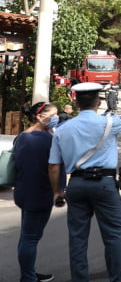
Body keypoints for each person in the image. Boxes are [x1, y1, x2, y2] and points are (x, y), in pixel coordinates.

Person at [48, 82, 121, 282]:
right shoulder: (110, 122)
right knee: (114, 235)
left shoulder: (62, 129)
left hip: (76, 185)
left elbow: (54, 166)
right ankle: (117, 279)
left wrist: (57, 191)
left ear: (75, 104)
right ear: (99, 103)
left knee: (77, 239)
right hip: (105, 184)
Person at [14, 102, 66, 282]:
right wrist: (58, 192)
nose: (56, 118)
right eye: (53, 114)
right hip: (41, 194)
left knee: (26, 235)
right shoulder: (48, 140)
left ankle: (28, 273)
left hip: (23, 192)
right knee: (30, 238)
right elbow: (54, 166)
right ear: (40, 116)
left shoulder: (22, 136)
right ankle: (28, 278)